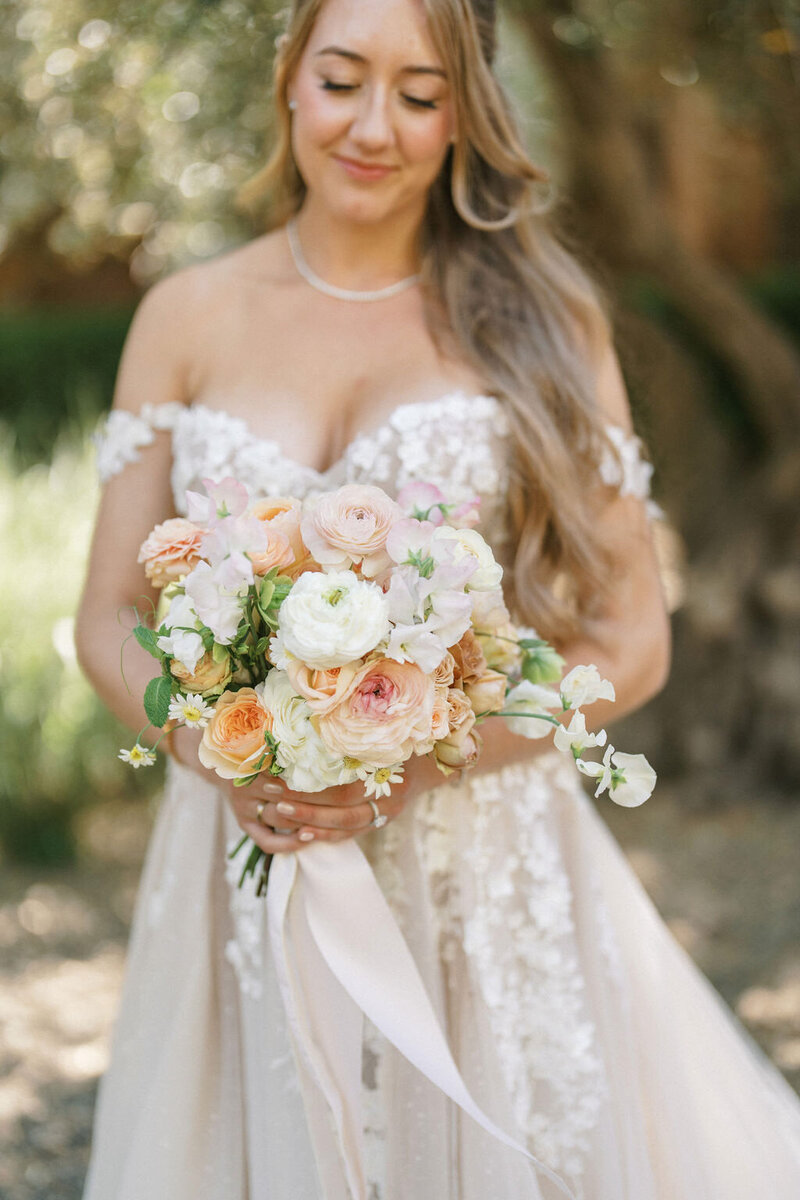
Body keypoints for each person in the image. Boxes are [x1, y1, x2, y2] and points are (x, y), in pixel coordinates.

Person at [75, 0, 800, 1196]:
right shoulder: (187, 315)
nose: (374, 127)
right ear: (288, 88)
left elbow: (631, 640)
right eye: (343, 81)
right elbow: (109, 614)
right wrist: (214, 744)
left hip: (480, 864)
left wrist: (423, 759)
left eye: (419, 95)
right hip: (241, 849)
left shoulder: (543, 320)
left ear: (464, 114)